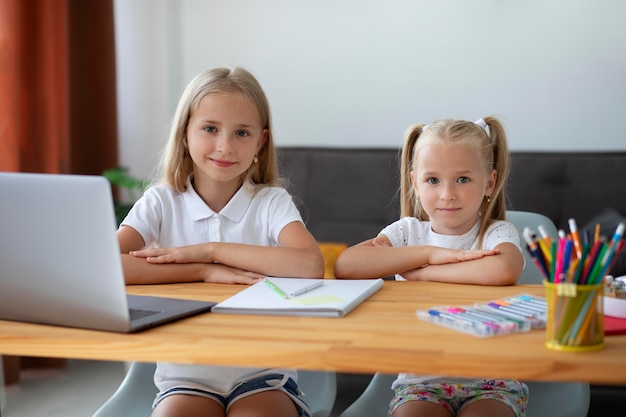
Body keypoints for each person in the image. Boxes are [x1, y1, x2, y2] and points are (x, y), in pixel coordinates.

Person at [117, 67, 324, 417]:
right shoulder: (161, 201)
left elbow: (309, 265)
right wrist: (202, 270)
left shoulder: (270, 201)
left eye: (242, 132)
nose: (225, 146)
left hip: (263, 374)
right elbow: (107, 265)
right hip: (185, 376)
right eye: (210, 129)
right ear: (185, 133)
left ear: (260, 141)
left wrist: (213, 251)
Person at [334, 116, 528, 417]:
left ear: (489, 183)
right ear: (415, 183)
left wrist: (425, 272)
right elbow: (347, 266)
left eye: (462, 179)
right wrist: (427, 253)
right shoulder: (408, 233)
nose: (447, 194)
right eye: (433, 180)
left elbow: (504, 270)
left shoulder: (495, 232)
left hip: (493, 379)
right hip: (421, 380)